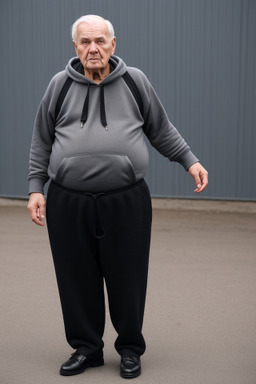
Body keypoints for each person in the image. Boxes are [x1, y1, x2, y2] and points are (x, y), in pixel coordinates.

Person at [27, 14, 208, 379]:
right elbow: (42, 139)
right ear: (75, 47)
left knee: (128, 275)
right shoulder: (59, 85)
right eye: (85, 42)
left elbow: (160, 128)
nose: (92, 49)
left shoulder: (135, 81)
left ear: (113, 44)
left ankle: (129, 349)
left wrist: (190, 160)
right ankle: (87, 348)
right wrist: (35, 187)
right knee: (76, 278)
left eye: (99, 41)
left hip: (126, 199)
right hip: (68, 200)